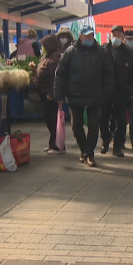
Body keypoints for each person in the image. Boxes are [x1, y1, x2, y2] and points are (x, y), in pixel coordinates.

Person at [54, 25, 115, 167]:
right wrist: (59, 92)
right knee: (76, 126)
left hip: (95, 96)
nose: (89, 38)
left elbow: (109, 75)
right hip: (75, 95)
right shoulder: (70, 52)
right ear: (80, 36)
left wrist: (106, 92)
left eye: (91, 35)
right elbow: (61, 74)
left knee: (94, 126)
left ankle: (89, 154)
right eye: (86, 36)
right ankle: (84, 150)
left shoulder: (101, 53)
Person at [100, 25, 133, 158]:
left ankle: (117, 147)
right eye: (114, 34)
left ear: (123, 37)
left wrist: (130, 86)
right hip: (106, 93)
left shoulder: (128, 52)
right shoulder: (103, 50)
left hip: (122, 93)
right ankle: (105, 140)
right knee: (103, 119)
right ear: (110, 36)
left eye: (119, 35)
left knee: (121, 122)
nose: (116, 37)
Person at [32, 34, 64, 154]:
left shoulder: (54, 59)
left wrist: (52, 93)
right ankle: (52, 143)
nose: (42, 48)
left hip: (49, 95)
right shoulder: (47, 57)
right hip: (43, 93)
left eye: (44, 46)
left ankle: (57, 146)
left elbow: (55, 79)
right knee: (49, 119)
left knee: (52, 120)